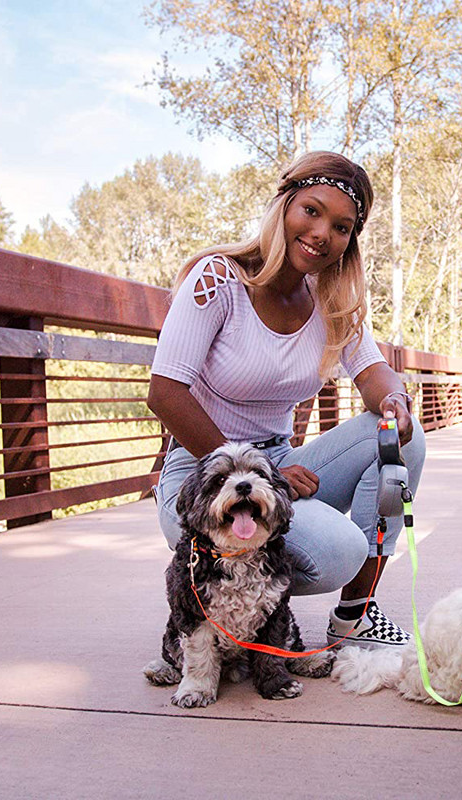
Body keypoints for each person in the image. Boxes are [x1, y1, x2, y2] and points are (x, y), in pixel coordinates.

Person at [148, 151, 426, 648]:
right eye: (312, 211)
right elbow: (165, 394)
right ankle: (226, 607)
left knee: (402, 439)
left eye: (342, 227)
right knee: (338, 552)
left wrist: (395, 401)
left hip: (280, 462)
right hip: (201, 475)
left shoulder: (329, 296)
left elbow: (372, 371)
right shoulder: (219, 279)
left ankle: (355, 617)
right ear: (284, 205)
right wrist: (265, 476)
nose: (323, 234)